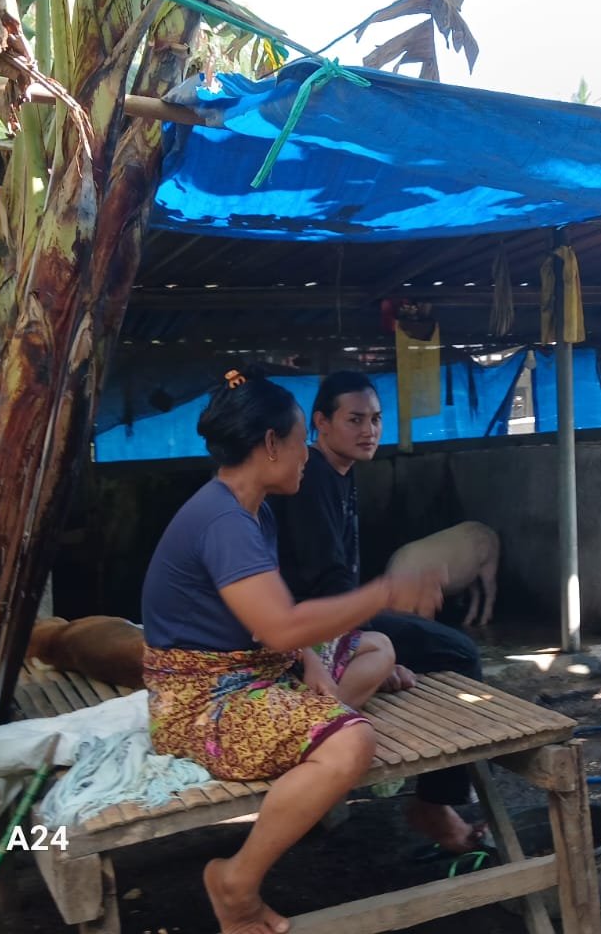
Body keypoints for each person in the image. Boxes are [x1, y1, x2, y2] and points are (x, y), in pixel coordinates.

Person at [141, 368, 445, 934]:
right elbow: (281, 627)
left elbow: (269, 624)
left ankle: (309, 740)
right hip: (201, 703)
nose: (307, 455)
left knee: (375, 644)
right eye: (301, 440)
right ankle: (235, 883)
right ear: (270, 444)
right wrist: (384, 592)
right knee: (354, 742)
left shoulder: (249, 510)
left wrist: (310, 663)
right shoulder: (225, 522)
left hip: (251, 670)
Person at [269, 371, 488, 855]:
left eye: (375, 419)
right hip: (311, 629)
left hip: (338, 616)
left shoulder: (338, 474)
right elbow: (325, 581)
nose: (369, 430)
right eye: (355, 420)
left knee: (443, 648)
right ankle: (434, 805)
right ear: (321, 422)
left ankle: (433, 796)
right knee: (459, 654)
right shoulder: (311, 480)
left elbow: (340, 577)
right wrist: (366, 646)